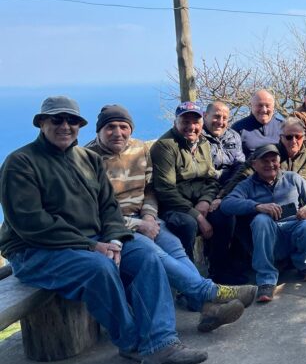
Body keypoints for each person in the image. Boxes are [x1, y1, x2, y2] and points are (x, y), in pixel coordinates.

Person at [0, 96, 207, 364]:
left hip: (92, 241)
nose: (65, 126)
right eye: (57, 120)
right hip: (35, 249)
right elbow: (32, 223)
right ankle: (132, 342)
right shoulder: (21, 163)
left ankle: (162, 342)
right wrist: (90, 245)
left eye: (72, 120)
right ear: (41, 123)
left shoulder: (88, 159)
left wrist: (114, 238)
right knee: (100, 268)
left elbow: (108, 207)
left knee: (147, 254)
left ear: (80, 125)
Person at [86, 104, 256, 332]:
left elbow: (150, 189)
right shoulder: (87, 159)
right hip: (115, 227)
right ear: (99, 130)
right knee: (157, 253)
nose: (118, 133)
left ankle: (207, 307)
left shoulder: (138, 149)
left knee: (174, 247)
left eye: (123, 127)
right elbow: (95, 209)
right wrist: (138, 224)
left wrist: (147, 216)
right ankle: (210, 293)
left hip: (146, 217)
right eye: (110, 127)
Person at [219, 117, 306, 286]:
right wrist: (250, 204)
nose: (293, 140)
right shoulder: (258, 164)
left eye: (298, 137)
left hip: (298, 216)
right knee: (260, 221)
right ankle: (267, 277)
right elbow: (235, 186)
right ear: (281, 137)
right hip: (266, 223)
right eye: (288, 137)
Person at [220, 144, 306, 303]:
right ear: (254, 164)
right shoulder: (247, 185)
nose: (270, 165)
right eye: (264, 161)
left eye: (273, 160)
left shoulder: (292, 178)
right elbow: (227, 204)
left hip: (294, 229)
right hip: (268, 237)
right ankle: (266, 280)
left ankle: (301, 263)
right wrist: (256, 206)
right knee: (261, 220)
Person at [150, 101, 236, 284]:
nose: (191, 127)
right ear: (175, 123)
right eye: (185, 121)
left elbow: (211, 178)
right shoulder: (165, 146)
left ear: (202, 122)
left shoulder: (203, 143)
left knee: (226, 216)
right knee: (186, 225)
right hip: (175, 206)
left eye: (195, 122)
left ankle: (218, 272)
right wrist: (197, 215)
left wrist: (206, 201)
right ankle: (187, 282)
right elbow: (165, 190)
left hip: (200, 202)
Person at [231, 89, 285, 158]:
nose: (264, 110)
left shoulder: (284, 127)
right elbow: (233, 160)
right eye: (260, 105)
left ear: (273, 107)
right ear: (252, 106)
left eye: (268, 105)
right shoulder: (238, 128)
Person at [203, 101, 246, 186]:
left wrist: (228, 188)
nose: (220, 122)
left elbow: (240, 166)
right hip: (205, 188)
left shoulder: (234, 136)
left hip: (231, 187)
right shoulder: (197, 137)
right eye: (217, 116)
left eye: (225, 118)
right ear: (205, 115)